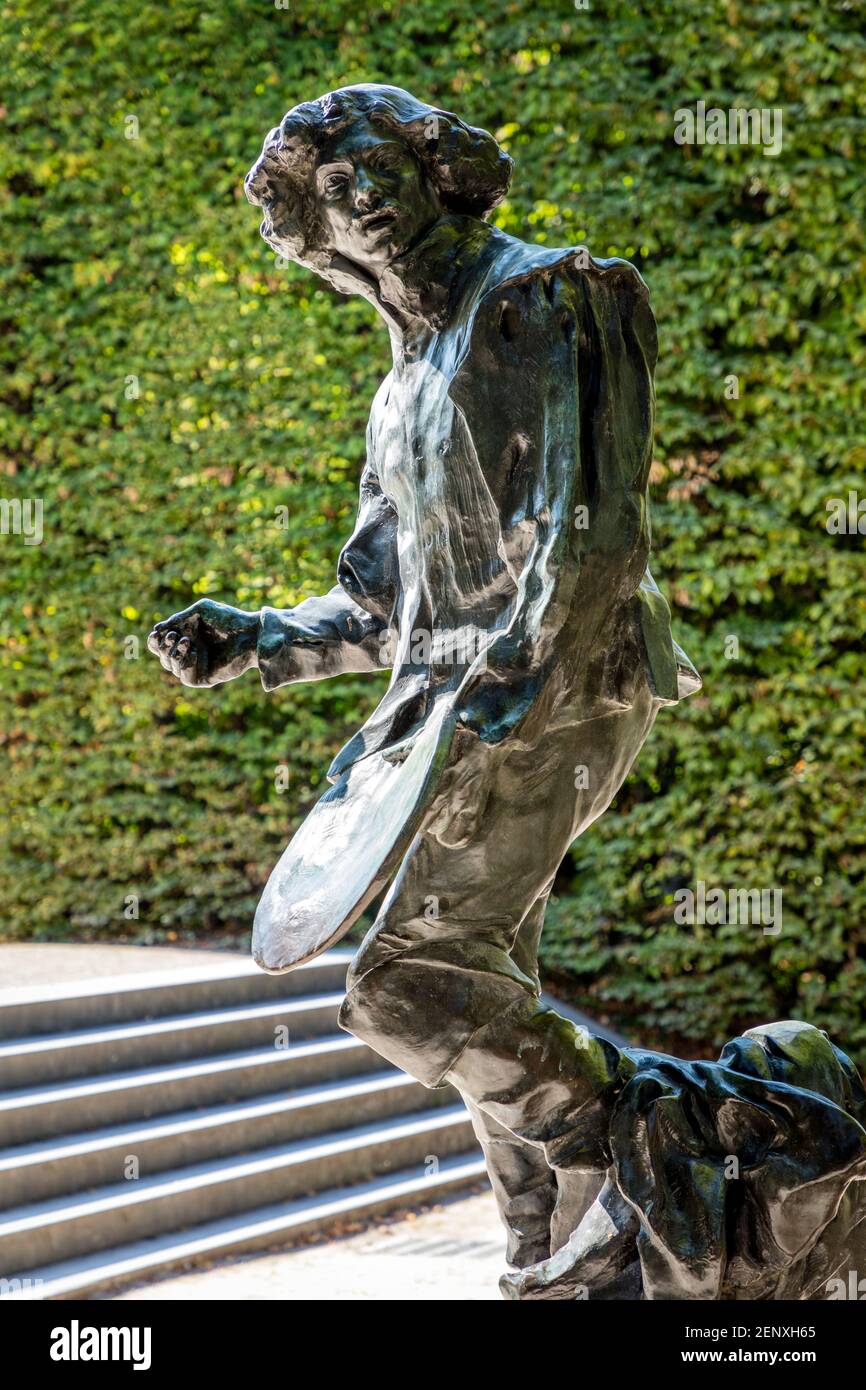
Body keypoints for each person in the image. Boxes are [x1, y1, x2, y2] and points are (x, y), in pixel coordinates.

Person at [148, 83, 706, 1271]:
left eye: (377, 173)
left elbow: (594, 532)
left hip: (561, 683)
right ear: (319, 235)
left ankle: (643, 1141)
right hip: (452, 714)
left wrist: (512, 683)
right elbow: (377, 607)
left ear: (434, 171)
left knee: (406, 984)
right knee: (481, 976)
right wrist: (251, 635)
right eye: (334, 196)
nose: (364, 205)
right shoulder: (399, 387)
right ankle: (542, 1244)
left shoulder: (551, 294)